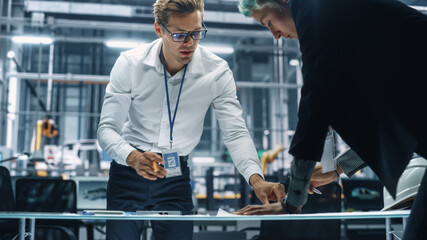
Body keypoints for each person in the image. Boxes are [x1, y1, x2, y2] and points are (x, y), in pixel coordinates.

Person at [235, 0, 427, 239]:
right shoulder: (339, 26)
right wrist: (336, 168)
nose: (274, 34)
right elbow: (385, 126)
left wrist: (292, 201)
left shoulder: (315, 8)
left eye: (269, 22)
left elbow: (314, 103)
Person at [97, 0, 285, 239]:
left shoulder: (216, 72)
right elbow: (107, 129)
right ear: (159, 29)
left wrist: (256, 180)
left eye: (196, 33)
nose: (189, 43)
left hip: (175, 176)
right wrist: (132, 157)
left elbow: (235, 133)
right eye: (179, 35)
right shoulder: (130, 64)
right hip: (128, 172)